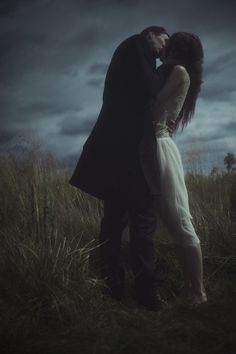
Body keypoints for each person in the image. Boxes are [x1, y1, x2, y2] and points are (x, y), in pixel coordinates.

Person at [69, 26, 171, 311]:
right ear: (152, 33)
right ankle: (145, 294)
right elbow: (149, 89)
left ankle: (114, 286)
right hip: (132, 156)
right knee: (140, 223)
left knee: (114, 223)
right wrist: (171, 70)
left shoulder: (134, 52)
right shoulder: (136, 46)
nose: (165, 50)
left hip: (119, 155)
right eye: (165, 41)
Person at [151, 32, 207, 306]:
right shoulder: (175, 71)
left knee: (179, 219)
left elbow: (153, 105)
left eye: (167, 43)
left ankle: (196, 292)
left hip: (160, 147)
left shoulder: (178, 71)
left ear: (175, 48)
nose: (162, 47)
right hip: (154, 145)